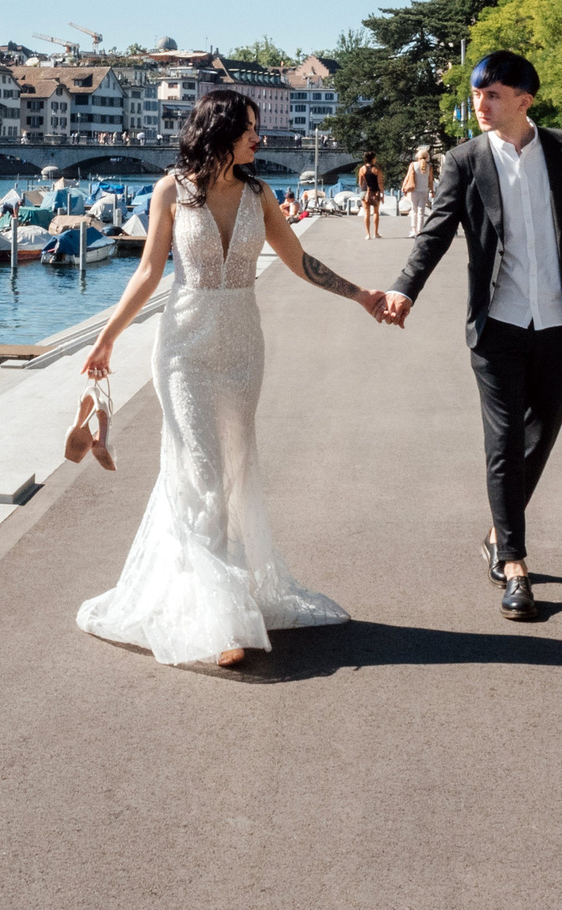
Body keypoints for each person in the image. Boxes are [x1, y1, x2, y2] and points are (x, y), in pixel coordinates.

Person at [75, 88, 382, 669]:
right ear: (219, 131)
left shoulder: (260, 195)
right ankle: (218, 620)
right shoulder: (172, 191)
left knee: (234, 466)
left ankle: (229, 592)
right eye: (249, 129)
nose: (258, 139)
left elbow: (299, 261)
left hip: (242, 345)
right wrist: (107, 337)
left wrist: (362, 295)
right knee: (200, 467)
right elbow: (147, 272)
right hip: (182, 346)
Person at [380, 51, 562, 622]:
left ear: (524, 99)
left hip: (561, 320)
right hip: (497, 323)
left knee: (540, 434)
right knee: (502, 441)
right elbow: (436, 233)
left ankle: (497, 529)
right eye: (476, 94)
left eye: (492, 94)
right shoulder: (464, 161)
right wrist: (404, 289)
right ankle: (514, 562)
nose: (480, 104)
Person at [402, 146, 436, 232]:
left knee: (414, 210)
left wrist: (404, 187)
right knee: (421, 212)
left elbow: (408, 177)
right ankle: (419, 230)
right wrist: (432, 191)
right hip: (424, 191)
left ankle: (413, 230)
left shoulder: (413, 165)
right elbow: (430, 181)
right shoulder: (429, 167)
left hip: (414, 191)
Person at [356, 152, 384, 239]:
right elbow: (380, 183)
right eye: (375, 158)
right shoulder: (377, 169)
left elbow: (360, 182)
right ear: (372, 159)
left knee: (366, 213)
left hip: (364, 192)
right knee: (376, 212)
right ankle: (376, 233)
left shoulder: (362, 169)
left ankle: (368, 234)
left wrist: (364, 188)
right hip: (375, 192)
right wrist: (382, 193)